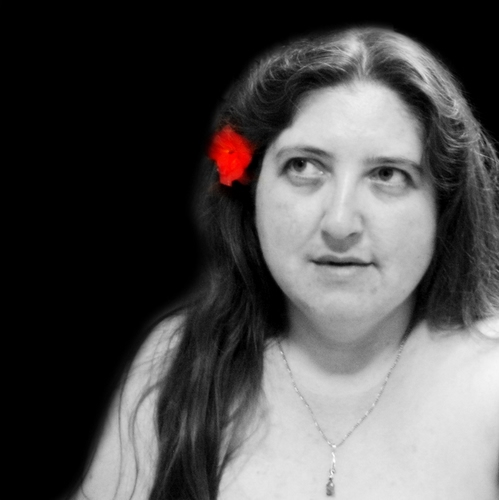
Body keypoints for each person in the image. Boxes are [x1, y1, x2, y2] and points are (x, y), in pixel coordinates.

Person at [71, 25, 499, 499]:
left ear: (444, 206)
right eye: (304, 167)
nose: (340, 222)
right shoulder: (177, 362)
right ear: (252, 188)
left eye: (387, 174)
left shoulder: (491, 386)